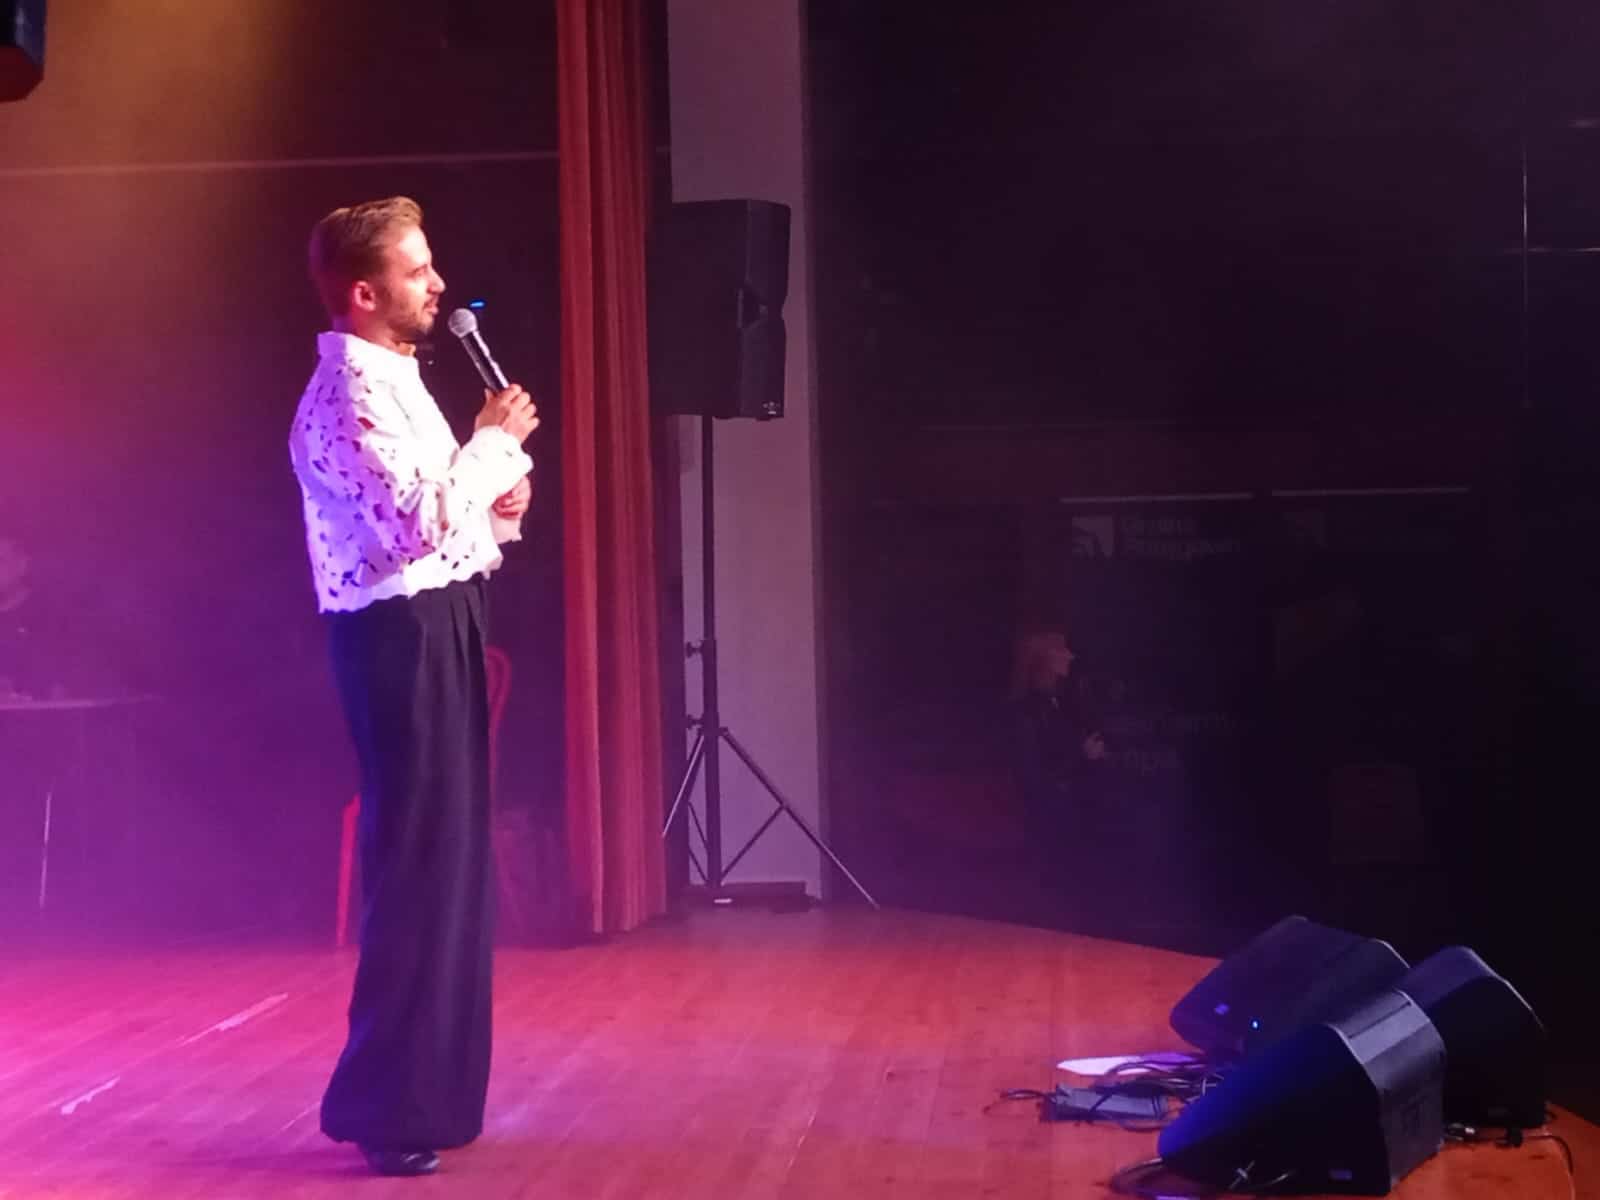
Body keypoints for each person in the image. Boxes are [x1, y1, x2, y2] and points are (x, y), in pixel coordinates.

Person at [288, 196, 538, 1177]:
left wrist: (498, 501)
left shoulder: (397, 382)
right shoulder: (347, 397)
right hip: (398, 639)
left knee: (449, 872)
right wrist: (491, 445)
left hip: (441, 620)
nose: (437, 284)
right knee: (417, 870)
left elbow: (449, 523)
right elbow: (411, 528)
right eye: (417, 269)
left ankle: (430, 1097)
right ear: (363, 293)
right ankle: (386, 1109)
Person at [1010, 625, 1107, 858]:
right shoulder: (1028, 711)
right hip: (1051, 821)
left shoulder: (1059, 701)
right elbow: (1032, 772)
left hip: (1070, 813)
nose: (1070, 655)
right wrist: (1081, 754)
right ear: (1044, 658)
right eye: (1062, 650)